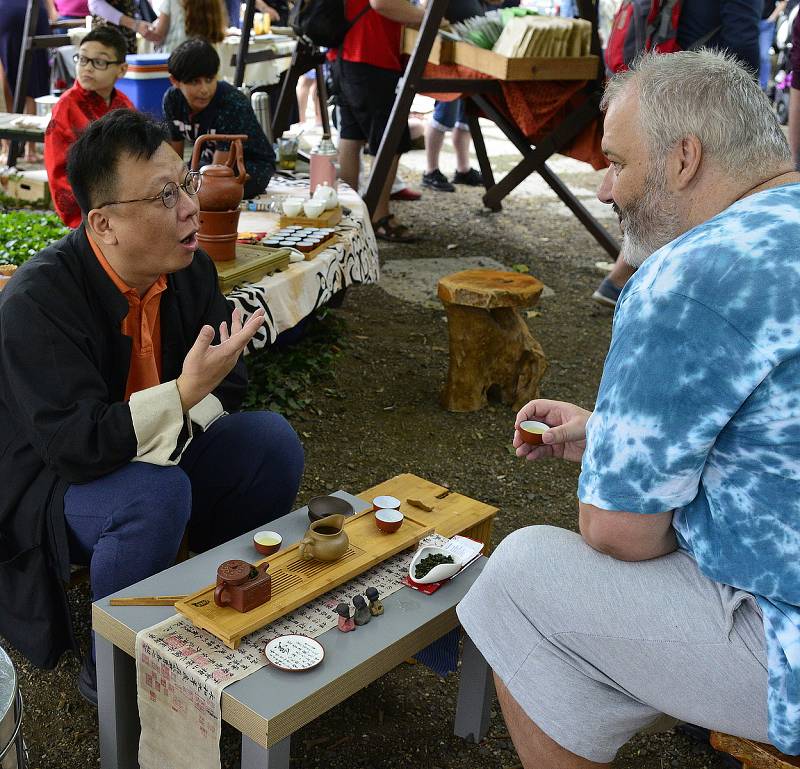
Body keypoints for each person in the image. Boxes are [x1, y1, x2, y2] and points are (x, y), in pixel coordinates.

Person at [459, 49, 800, 767]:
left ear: (684, 158)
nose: (607, 187)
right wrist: (615, 436)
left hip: (785, 644)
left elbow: (620, 533)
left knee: (519, 578)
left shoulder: (690, 272)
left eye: (616, 161)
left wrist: (630, 468)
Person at [0, 109, 304, 704]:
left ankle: (227, 600)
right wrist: (182, 398)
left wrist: (178, 421)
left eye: (186, 183)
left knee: (270, 443)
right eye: (166, 196)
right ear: (104, 224)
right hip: (55, 484)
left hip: (154, 448)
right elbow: (77, 448)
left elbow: (230, 378)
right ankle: (111, 671)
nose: (190, 207)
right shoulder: (37, 303)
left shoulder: (188, 269)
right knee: (154, 495)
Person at [593, 0, 763, 307]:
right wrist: (748, 99)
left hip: (662, 84)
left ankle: (624, 277)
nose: (603, 194)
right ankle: (632, 279)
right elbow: (743, 36)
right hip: (705, 99)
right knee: (693, 190)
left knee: (661, 188)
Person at [336, 0, 426, 243]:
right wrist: (426, 17)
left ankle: (348, 212)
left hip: (347, 53)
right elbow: (382, 3)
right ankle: (378, 216)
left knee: (351, 136)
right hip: (372, 55)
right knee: (390, 141)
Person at [162, 37, 276, 199]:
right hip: (208, 161)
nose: (205, 90)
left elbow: (217, 173)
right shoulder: (172, 100)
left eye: (209, 80)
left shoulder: (231, 103)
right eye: (195, 82)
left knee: (211, 193)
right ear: (175, 81)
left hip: (250, 167)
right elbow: (174, 157)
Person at [45, 26, 134, 228]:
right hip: (89, 212)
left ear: (122, 70)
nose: (87, 68)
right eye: (83, 59)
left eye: (99, 62)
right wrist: (91, 215)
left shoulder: (125, 105)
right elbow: (59, 172)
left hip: (126, 203)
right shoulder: (65, 108)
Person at [0, 0, 55, 162]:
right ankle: (29, 150)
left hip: (6, 10)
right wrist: (51, 9)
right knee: (33, 76)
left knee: (6, 75)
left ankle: (8, 147)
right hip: (32, 10)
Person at [147, 0, 228, 53]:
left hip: (177, 58)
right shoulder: (213, 3)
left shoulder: (172, 2)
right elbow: (216, 34)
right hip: (207, 57)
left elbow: (158, 36)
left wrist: (137, 25)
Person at [759, 1, 788, 90]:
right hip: (748, 21)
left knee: (764, 56)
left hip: (765, 23)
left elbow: (783, 2)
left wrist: (772, 18)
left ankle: (763, 88)